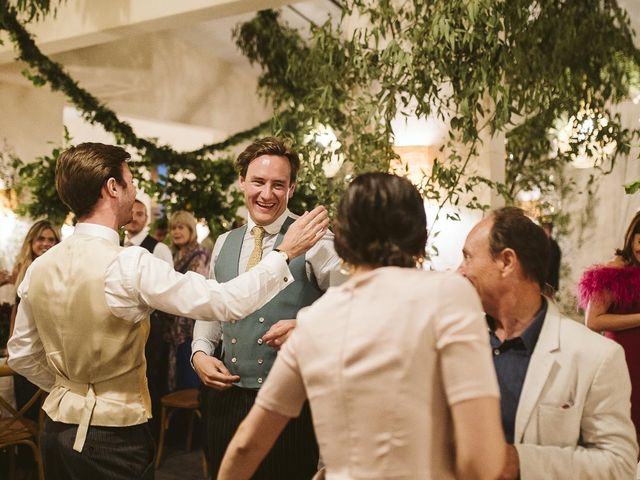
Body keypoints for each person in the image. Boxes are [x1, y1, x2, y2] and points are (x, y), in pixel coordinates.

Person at [7, 142, 328, 480]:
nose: (135, 191)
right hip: (114, 436)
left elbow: (21, 355)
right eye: (131, 181)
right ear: (113, 188)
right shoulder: (127, 264)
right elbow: (225, 302)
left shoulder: (39, 267)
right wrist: (284, 253)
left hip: (56, 432)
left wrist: (70, 389)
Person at [218, 173, 505, 480]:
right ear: (420, 235)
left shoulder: (315, 320)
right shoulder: (451, 296)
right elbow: (482, 460)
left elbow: (247, 445)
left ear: (341, 238)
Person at [191, 137, 341, 479]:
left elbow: (352, 302)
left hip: (290, 402)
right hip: (225, 401)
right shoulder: (224, 243)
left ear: (292, 188)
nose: (267, 194)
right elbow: (211, 309)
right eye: (258, 182)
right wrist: (199, 352)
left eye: (278, 185)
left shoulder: (316, 239)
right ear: (242, 181)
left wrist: (306, 324)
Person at [458, 206, 638, 480]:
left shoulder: (596, 357)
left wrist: (520, 462)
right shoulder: (453, 344)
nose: (460, 271)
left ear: (507, 261)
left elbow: (619, 465)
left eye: (467, 257)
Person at [579, 209, 640, 447]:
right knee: (627, 437)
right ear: (631, 237)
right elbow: (593, 321)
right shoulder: (615, 270)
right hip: (626, 363)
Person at [124, 198, 173, 439]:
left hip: (152, 325)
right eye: (131, 212)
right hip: (123, 326)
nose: (134, 217)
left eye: (140, 213)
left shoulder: (159, 248)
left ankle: (151, 436)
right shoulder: (117, 245)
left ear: (146, 219)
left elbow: (166, 289)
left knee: (151, 378)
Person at [10, 220, 60, 419]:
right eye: (41, 239)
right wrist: (11, 342)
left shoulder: (57, 270)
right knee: (25, 410)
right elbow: (17, 309)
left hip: (46, 352)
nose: (46, 243)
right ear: (31, 242)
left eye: (51, 239)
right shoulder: (22, 269)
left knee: (46, 411)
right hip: (25, 351)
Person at [167, 210, 209, 392]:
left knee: (188, 383)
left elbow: (194, 286)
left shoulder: (199, 254)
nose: (176, 232)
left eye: (181, 227)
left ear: (191, 230)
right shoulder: (172, 253)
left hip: (190, 326)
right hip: (172, 325)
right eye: (173, 228)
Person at [541, 221, 561, 294]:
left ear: (549, 231)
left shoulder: (553, 246)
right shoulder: (543, 244)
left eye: (545, 229)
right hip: (543, 281)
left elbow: (550, 264)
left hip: (549, 282)